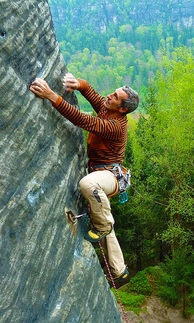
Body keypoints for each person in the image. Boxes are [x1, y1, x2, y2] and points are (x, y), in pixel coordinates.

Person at [29, 73, 139, 282]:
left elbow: (82, 120)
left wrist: (51, 95)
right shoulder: (108, 111)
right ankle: (119, 270)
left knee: (88, 185)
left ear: (122, 109)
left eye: (115, 96)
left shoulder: (115, 126)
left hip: (110, 175)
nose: (109, 96)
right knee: (103, 218)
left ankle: (103, 225)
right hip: (102, 171)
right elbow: (94, 95)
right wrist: (79, 84)